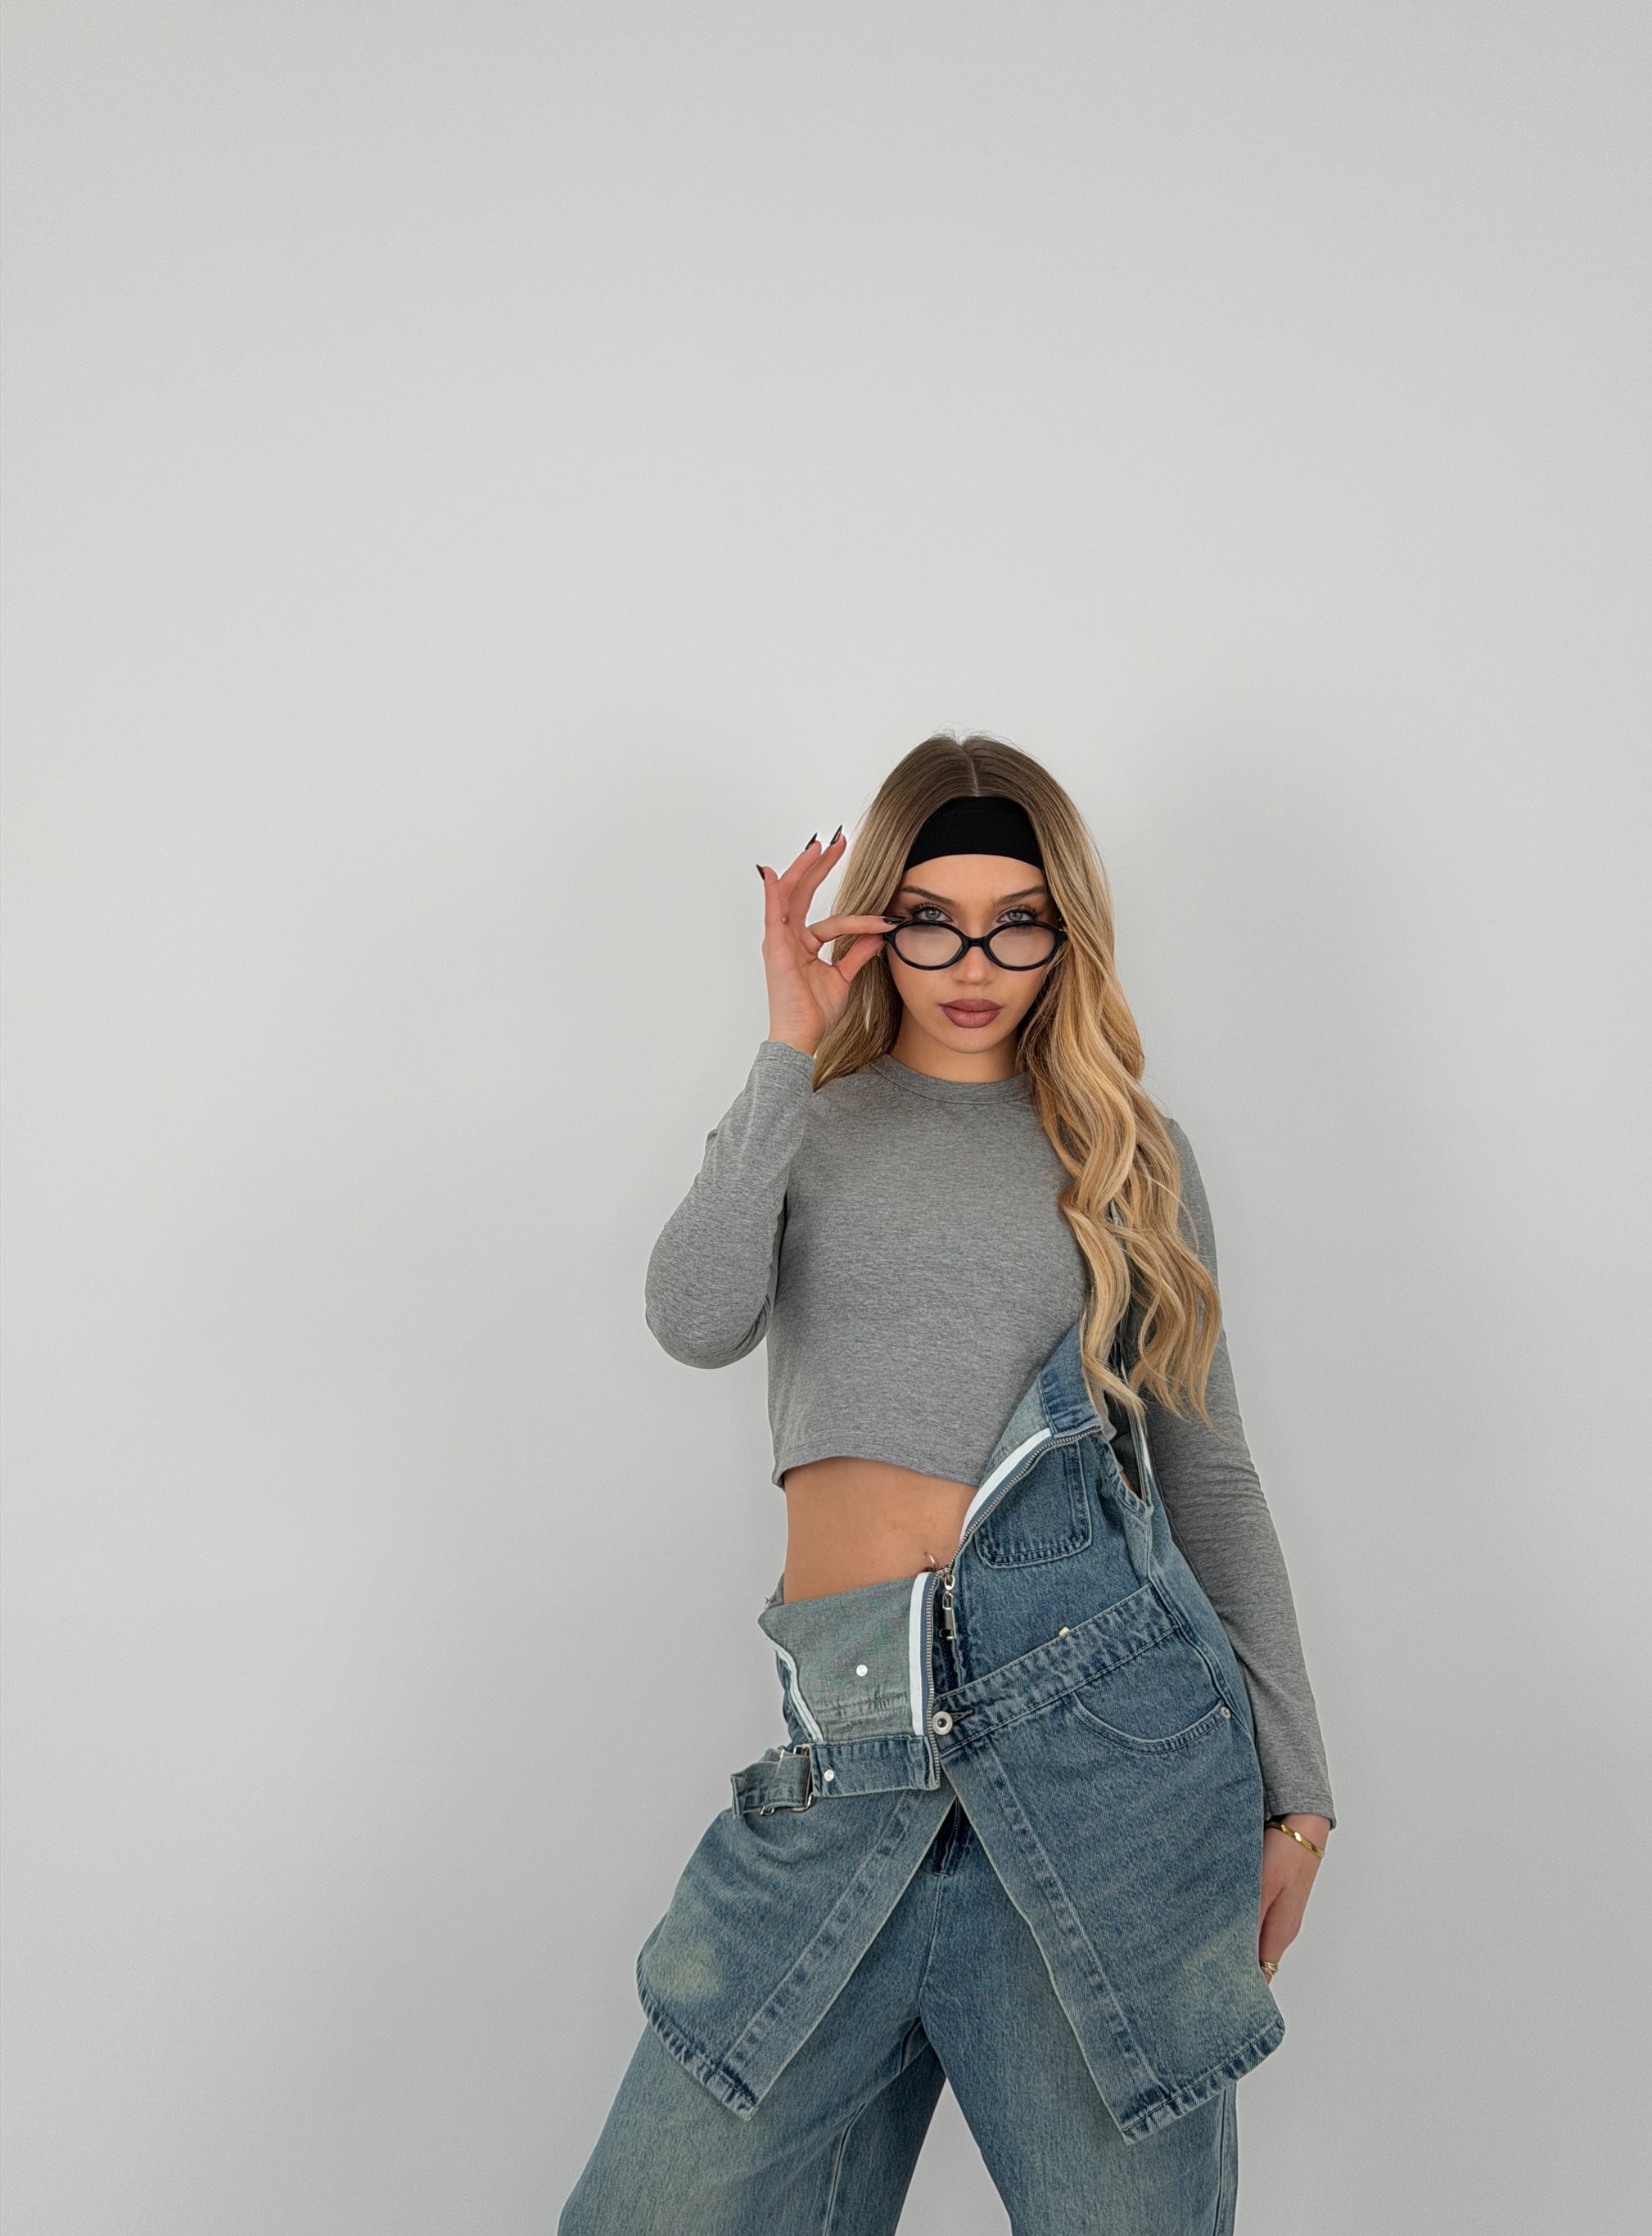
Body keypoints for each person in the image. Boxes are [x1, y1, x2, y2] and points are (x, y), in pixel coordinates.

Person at [558, 733, 1335, 2235]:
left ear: (1066, 933)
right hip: (840, 1767)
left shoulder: (1131, 1158)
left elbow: (1211, 1477)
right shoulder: (810, 1125)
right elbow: (693, 1319)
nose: (975, 965)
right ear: (876, 923)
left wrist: (1298, 1799)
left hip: (1104, 1760)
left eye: (1016, 923)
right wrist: (787, 1046)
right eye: (931, 920)